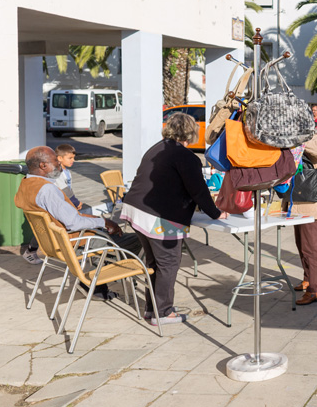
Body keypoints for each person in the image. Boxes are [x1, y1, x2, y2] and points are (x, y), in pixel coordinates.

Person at [121, 113, 226, 325]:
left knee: (155, 262)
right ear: (191, 132)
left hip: (135, 210)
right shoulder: (186, 157)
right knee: (168, 262)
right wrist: (216, 213)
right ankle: (162, 312)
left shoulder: (157, 148)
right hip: (157, 216)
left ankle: (153, 308)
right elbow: (198, 190)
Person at [14, 146, 123, 298]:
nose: (59, 164)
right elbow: (74, 223)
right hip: (70, 243)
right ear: (43, 165)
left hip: (52, 244)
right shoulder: (47, 189)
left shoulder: (26, 183)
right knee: (127, 242)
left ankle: (101, 283)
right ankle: (97, 284)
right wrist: (104, 222)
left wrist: (98, 221)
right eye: (55, 161)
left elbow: (69, 218)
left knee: (110, 236)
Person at [287, 132, 317, 305]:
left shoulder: (314, 138)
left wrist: (301, 137)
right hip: (298, 200)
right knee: (301, 245)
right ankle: (308, 279)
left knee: (311, 248)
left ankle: (315, 289)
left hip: (311, 204)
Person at [53, 144, 83, 210]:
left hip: (66, 202)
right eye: (70, 158)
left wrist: (73, 201)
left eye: (73, 158)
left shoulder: (67, 171)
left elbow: (69, 189)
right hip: (58, 204)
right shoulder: (57, 172)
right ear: (60, 158)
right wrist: (76, 203)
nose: (73, 160)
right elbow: (64, 189)